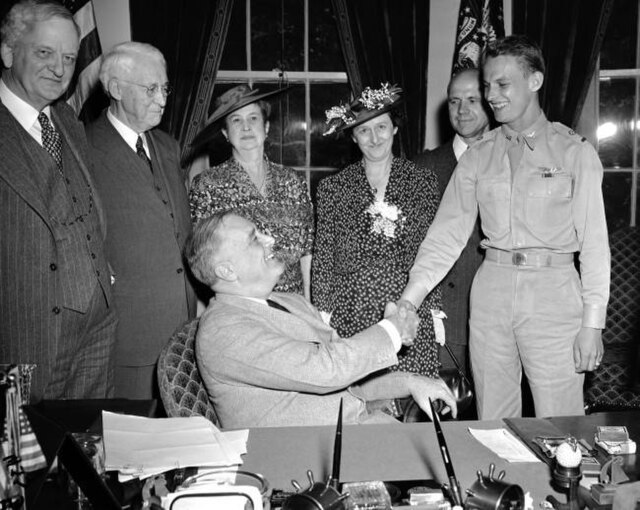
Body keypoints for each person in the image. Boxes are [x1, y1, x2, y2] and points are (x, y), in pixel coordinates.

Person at [399, 35, 610, 419]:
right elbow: (445, 236)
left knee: (559, 425)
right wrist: (408, 300)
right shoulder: (478, 156)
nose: (490, 95)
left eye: (502, 84)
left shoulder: (574, 153)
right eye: (487, 85)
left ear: (535, 81)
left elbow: (595, 247)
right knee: (492, 422)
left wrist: (592, 324)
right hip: (491, 291)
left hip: (554, 297)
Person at [185, 211, 457, 428]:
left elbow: (351, 380)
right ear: (226, 270)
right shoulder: (222, 331)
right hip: (305, 461)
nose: (269, 239)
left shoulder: (288, 301)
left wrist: (409, 382)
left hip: (356, 433)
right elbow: (326, 370)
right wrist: (393, 330)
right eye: (254, 238)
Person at [0, 0, 116, 401]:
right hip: (23, 341)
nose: (59, 68)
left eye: (68, 57)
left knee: (82, 454)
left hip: (96, 329)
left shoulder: (67, 120)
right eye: (44, 53)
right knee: (22, 459)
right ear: (8, 51)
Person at [85, 42, 196, 399]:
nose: (162, 99)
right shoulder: (84, 148)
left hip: (183, 332)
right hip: (129, 337)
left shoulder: (168, 146)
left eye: (165, 88)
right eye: (151, 89)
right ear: (116, 89)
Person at [312, 83, 442, 377]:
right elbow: (323, 256)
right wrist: (322, 313)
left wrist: (434, 309)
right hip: (351, 304)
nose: (374, 138)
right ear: (353, 137)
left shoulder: (422, 182)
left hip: (406, 302)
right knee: (362, 392)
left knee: (408, 390)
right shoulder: (333, 188)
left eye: (381, 127)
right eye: (364, 131)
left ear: (394, 129)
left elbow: (431, 250)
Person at [189, 85, 314, 298]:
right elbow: (204, 259)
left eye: (253, 118)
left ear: (266, 128)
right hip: (243, 307)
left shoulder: (292, 180)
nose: (246, 127)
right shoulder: (207, 185)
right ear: (225, 133)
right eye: (236, 120)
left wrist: (310, 305)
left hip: (294, 305)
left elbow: (307, 252)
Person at [413, 68, 490, 376]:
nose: (462, 110)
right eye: (454, 101)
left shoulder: (509, 158)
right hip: (444, 319)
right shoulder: (422, 167)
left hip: (498, 317)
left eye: (473, 99)